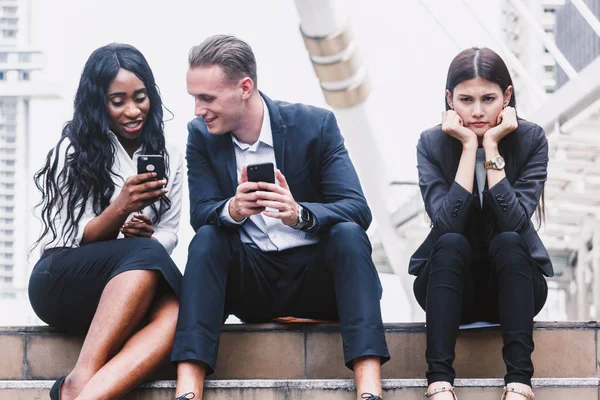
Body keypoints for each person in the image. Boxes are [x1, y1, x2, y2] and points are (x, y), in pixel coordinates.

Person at [171, 34, 389, 400]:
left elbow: (357, 208)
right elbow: (201, 213)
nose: (198, 110)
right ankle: (187, 391)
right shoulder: (200, 136)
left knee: (350, 235)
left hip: (315, 280)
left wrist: (299, 214)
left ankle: (370, 389)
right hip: (251, 284)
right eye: (195, 97)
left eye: (207, 98)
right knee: (207, 237)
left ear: (245, 87)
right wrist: (232, 210)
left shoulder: (314, 125)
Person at [28, 43, 184, 400]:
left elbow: (171, 231)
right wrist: (120, 209)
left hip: (132, 288)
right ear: (100, 104)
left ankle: (79, 393)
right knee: (148, 257)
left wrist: (146, 237)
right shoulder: (74, 150)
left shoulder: (170, 156)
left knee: (178, 313)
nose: (133, 110)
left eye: (140, 97)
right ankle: (83, 376)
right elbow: (72, 236)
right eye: (118, 101)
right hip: (63, 280)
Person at [409, 47, 551, 400]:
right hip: (449, 287)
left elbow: (514, 222)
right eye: (465, 99)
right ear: (449, 100)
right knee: (451, 243)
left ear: (507, 97)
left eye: (488, 98)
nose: (476, 111)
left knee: (508, 241)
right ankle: (439, 382)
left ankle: (519, 382)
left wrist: (492, 146)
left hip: (515, 287)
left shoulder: (531, 140)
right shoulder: (431, 143)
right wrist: (469, 147)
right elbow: (447, 226)